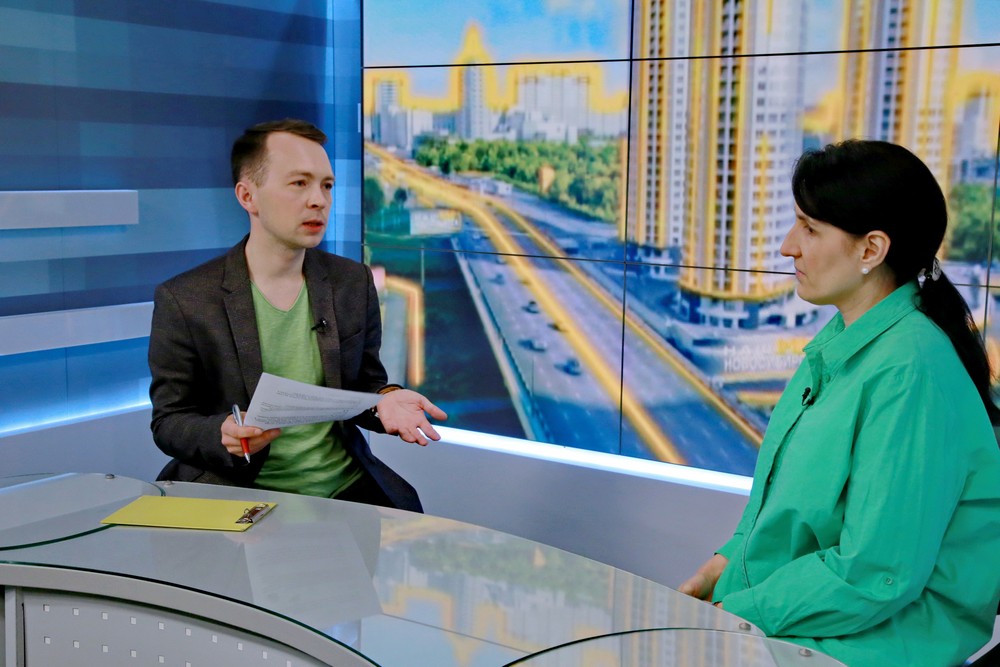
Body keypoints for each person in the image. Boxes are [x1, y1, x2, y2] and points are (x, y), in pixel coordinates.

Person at [679, 140, 1000, 666]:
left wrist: (735, 614)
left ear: (871, 250)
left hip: (873, 645)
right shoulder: (841, 344)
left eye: (809, 229)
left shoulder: (909, 371)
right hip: (816, 624)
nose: (788, 246)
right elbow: (795, 517)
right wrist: (728, 562)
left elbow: (875, 573)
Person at [148, 119, 446, 512]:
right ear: (248, 196)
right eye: (299, 183)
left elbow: (366, 385)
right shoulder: (186, 299)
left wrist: (386, 401)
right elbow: (169, 421)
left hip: (346, 490)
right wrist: (222, 433)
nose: (318, 200)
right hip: (240, 494)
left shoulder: (352, 282)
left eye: (327, 185)